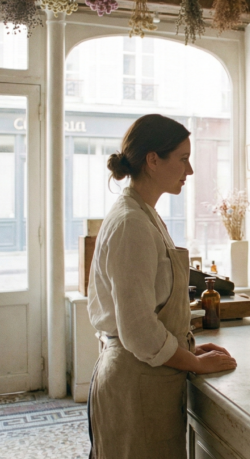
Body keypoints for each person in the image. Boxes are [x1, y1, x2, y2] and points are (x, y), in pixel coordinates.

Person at [87, 114, 237, 459]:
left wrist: (186, 352)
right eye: (183, 158)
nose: (191, 170)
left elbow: (151, 309)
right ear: (153, 160)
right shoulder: (131, 223)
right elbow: (138, 330)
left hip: (150, 376)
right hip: (135, 382)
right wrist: (195, 364)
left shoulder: (145, 213)